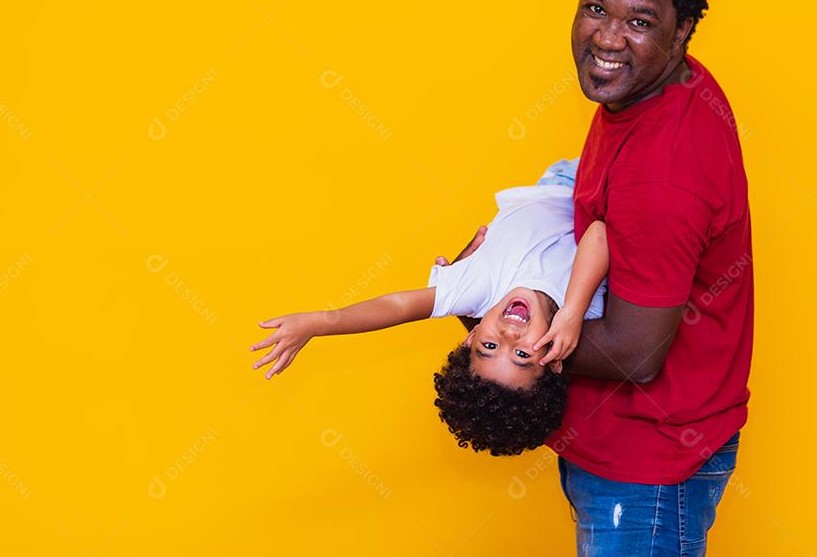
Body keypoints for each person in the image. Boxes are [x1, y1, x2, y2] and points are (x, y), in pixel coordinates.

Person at [441, 0, 753, 555]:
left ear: (683, 31)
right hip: (624, 442)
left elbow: (637, 352)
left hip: (646, 460)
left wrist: (485, 316)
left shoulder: (662, 178)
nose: (608, 39)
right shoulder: (657, 88)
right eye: (595, 8)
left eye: (640, 22)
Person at [249, 159, 611, 457]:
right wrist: (572, 312)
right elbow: (599, 232)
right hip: (602, 198)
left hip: (562, 180)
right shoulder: (583, 312)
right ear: (554, 358)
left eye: (489, 347)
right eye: (521, 354)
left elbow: (398, 305)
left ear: (470, 336)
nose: (507, 334)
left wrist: (318, 323)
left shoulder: (477, 291)